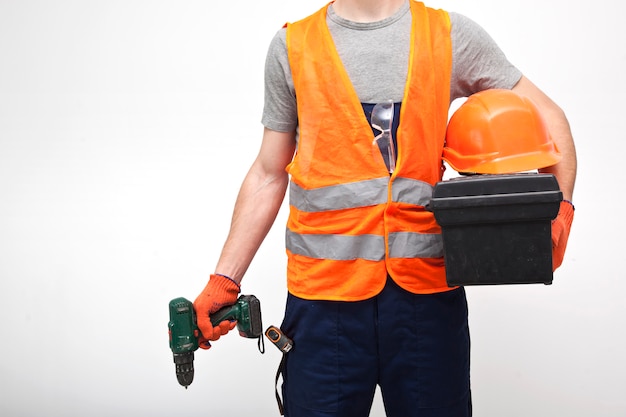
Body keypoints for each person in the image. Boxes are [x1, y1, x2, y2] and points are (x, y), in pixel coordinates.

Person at [193, 1, 577, 416]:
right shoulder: (293, 45)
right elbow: (269, 173)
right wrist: (224, 280)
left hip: (426, 302)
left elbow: (549, 118)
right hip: (323, 304)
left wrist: (557, 216)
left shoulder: (448, 35)